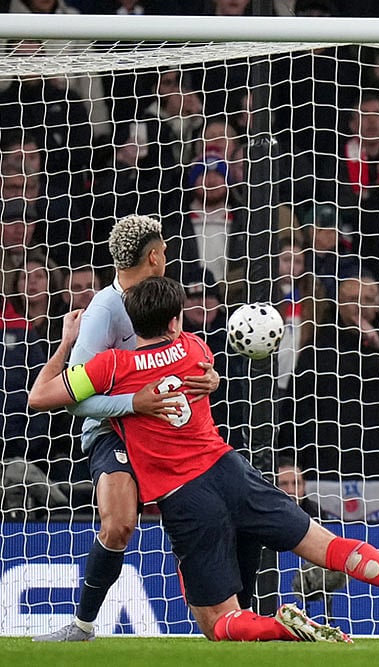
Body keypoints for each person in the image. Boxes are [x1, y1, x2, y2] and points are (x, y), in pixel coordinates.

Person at [27, 276, 379, 643]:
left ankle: (284, 625)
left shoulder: (110, 366)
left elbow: (39, 397)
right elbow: (200, 369)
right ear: (175, 320)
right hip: (231, 471)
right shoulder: (195, 349)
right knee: (325, 547)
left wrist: (68, 343)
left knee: (220, 624)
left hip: (186, 499)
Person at [32, 214, 220, 642]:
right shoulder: (103, 310)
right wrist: (132, 403)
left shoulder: (159, 298)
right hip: (112, 430)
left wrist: (210, 379)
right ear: (153, 255)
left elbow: (178, 358)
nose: (169, 256)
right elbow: (73, 398)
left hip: (164, 427)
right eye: (166, 250)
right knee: (118, 525)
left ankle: (223, 620)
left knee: (202, 516)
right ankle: (82, 624)